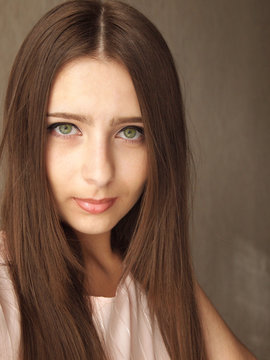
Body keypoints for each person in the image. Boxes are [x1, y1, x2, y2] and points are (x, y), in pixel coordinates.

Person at [0, 1, 256, 359]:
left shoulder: (153, 279)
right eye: (65, 128)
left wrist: (169, 278)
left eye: (130, 132)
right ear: (27, 134)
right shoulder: (7, 290)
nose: (100, 172)